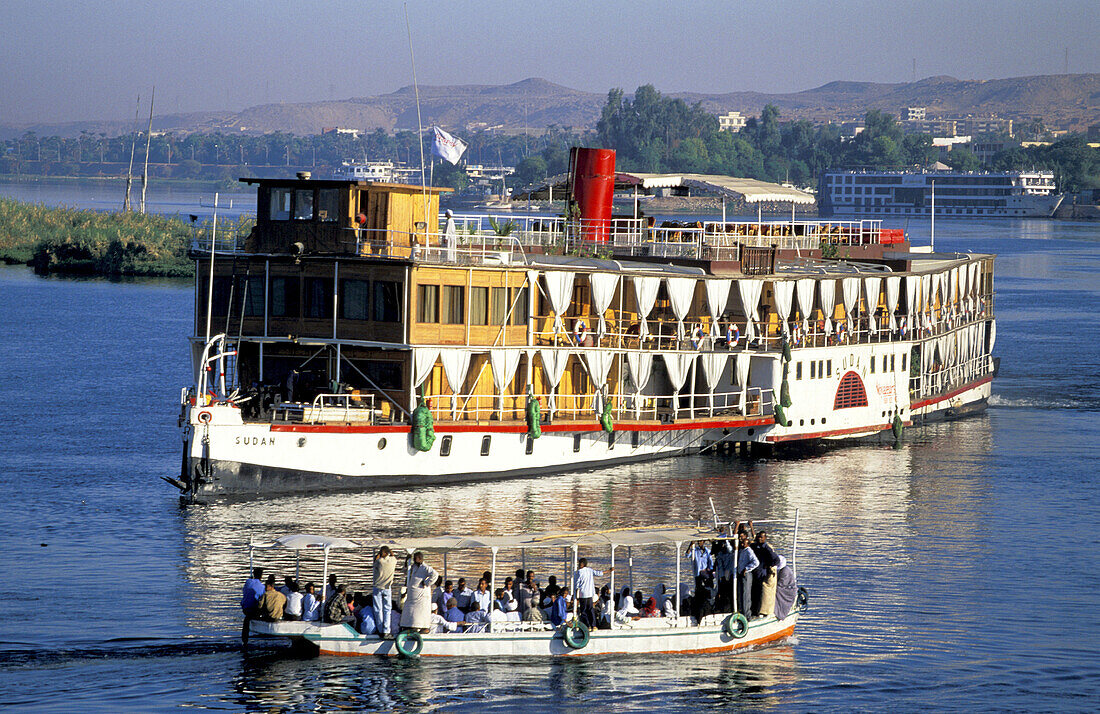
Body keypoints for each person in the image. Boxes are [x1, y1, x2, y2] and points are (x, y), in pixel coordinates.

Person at [400, 551, 438, 634]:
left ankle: (424, 628)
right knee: (409, 611)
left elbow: (435, 574)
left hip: (421, 594)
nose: (414, 560)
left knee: (421, 612)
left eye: (415, 558)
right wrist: (406, 561)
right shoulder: (413, 567)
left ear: (420, 558)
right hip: (412, 594)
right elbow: (405, 572)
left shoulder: (425, 567)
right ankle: (409, 626)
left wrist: (427, 582)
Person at [573, 557, 612, 630]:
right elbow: (599, 573)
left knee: (583, 611)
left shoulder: (579, 572)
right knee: (590, 610)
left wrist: (575, 594)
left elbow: (577, 584)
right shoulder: (590, 570)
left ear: (582, 564)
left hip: (583, 594)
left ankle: (588, 626)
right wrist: (609, 571)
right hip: (590, 594)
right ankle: (593, 625)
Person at [750, 528, 779, 618]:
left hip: (761, 574)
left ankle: (757, 611)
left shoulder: (766, 548)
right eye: (759, 537)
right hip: (754, 573)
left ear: (765, 538)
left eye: (762, 537)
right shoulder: (755, 547)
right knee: (753, 592)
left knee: (759, 593)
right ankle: (752, 610)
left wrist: (768, 565)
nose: (760, 539)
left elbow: (776, 560)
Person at [372, 546, 396, 638]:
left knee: (378, 609)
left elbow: (375, 560)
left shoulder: (379, 561)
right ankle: (386, 630)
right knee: (387, 609)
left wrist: (378, 554)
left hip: (377, 587)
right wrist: (390, 551)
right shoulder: (393, 560)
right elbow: (393, 556)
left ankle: (380, 630)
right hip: (387, 587)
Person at [734, 531, 760, 619]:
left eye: (743, 543)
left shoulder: (749, 551)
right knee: (741, 593)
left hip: (746, 575)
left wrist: (747, 568)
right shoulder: (742, 550)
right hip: (741, 574)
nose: (742, 544)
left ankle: (747, 615)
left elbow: (756, 562)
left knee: (746, 594)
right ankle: (741, 612)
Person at [240, 567, 265, 643]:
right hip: (254, 610)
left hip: (245, 609)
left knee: (246, 620)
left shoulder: (248, 582)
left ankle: (244, 640)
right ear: (261, 576)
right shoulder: (262, 587)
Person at [773, 555, 799, 620]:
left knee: (776, 591)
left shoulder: (785, 571)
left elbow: (781, 584)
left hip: (788, 590)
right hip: (783, 587)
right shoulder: (780, 570)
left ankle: (778, 611)